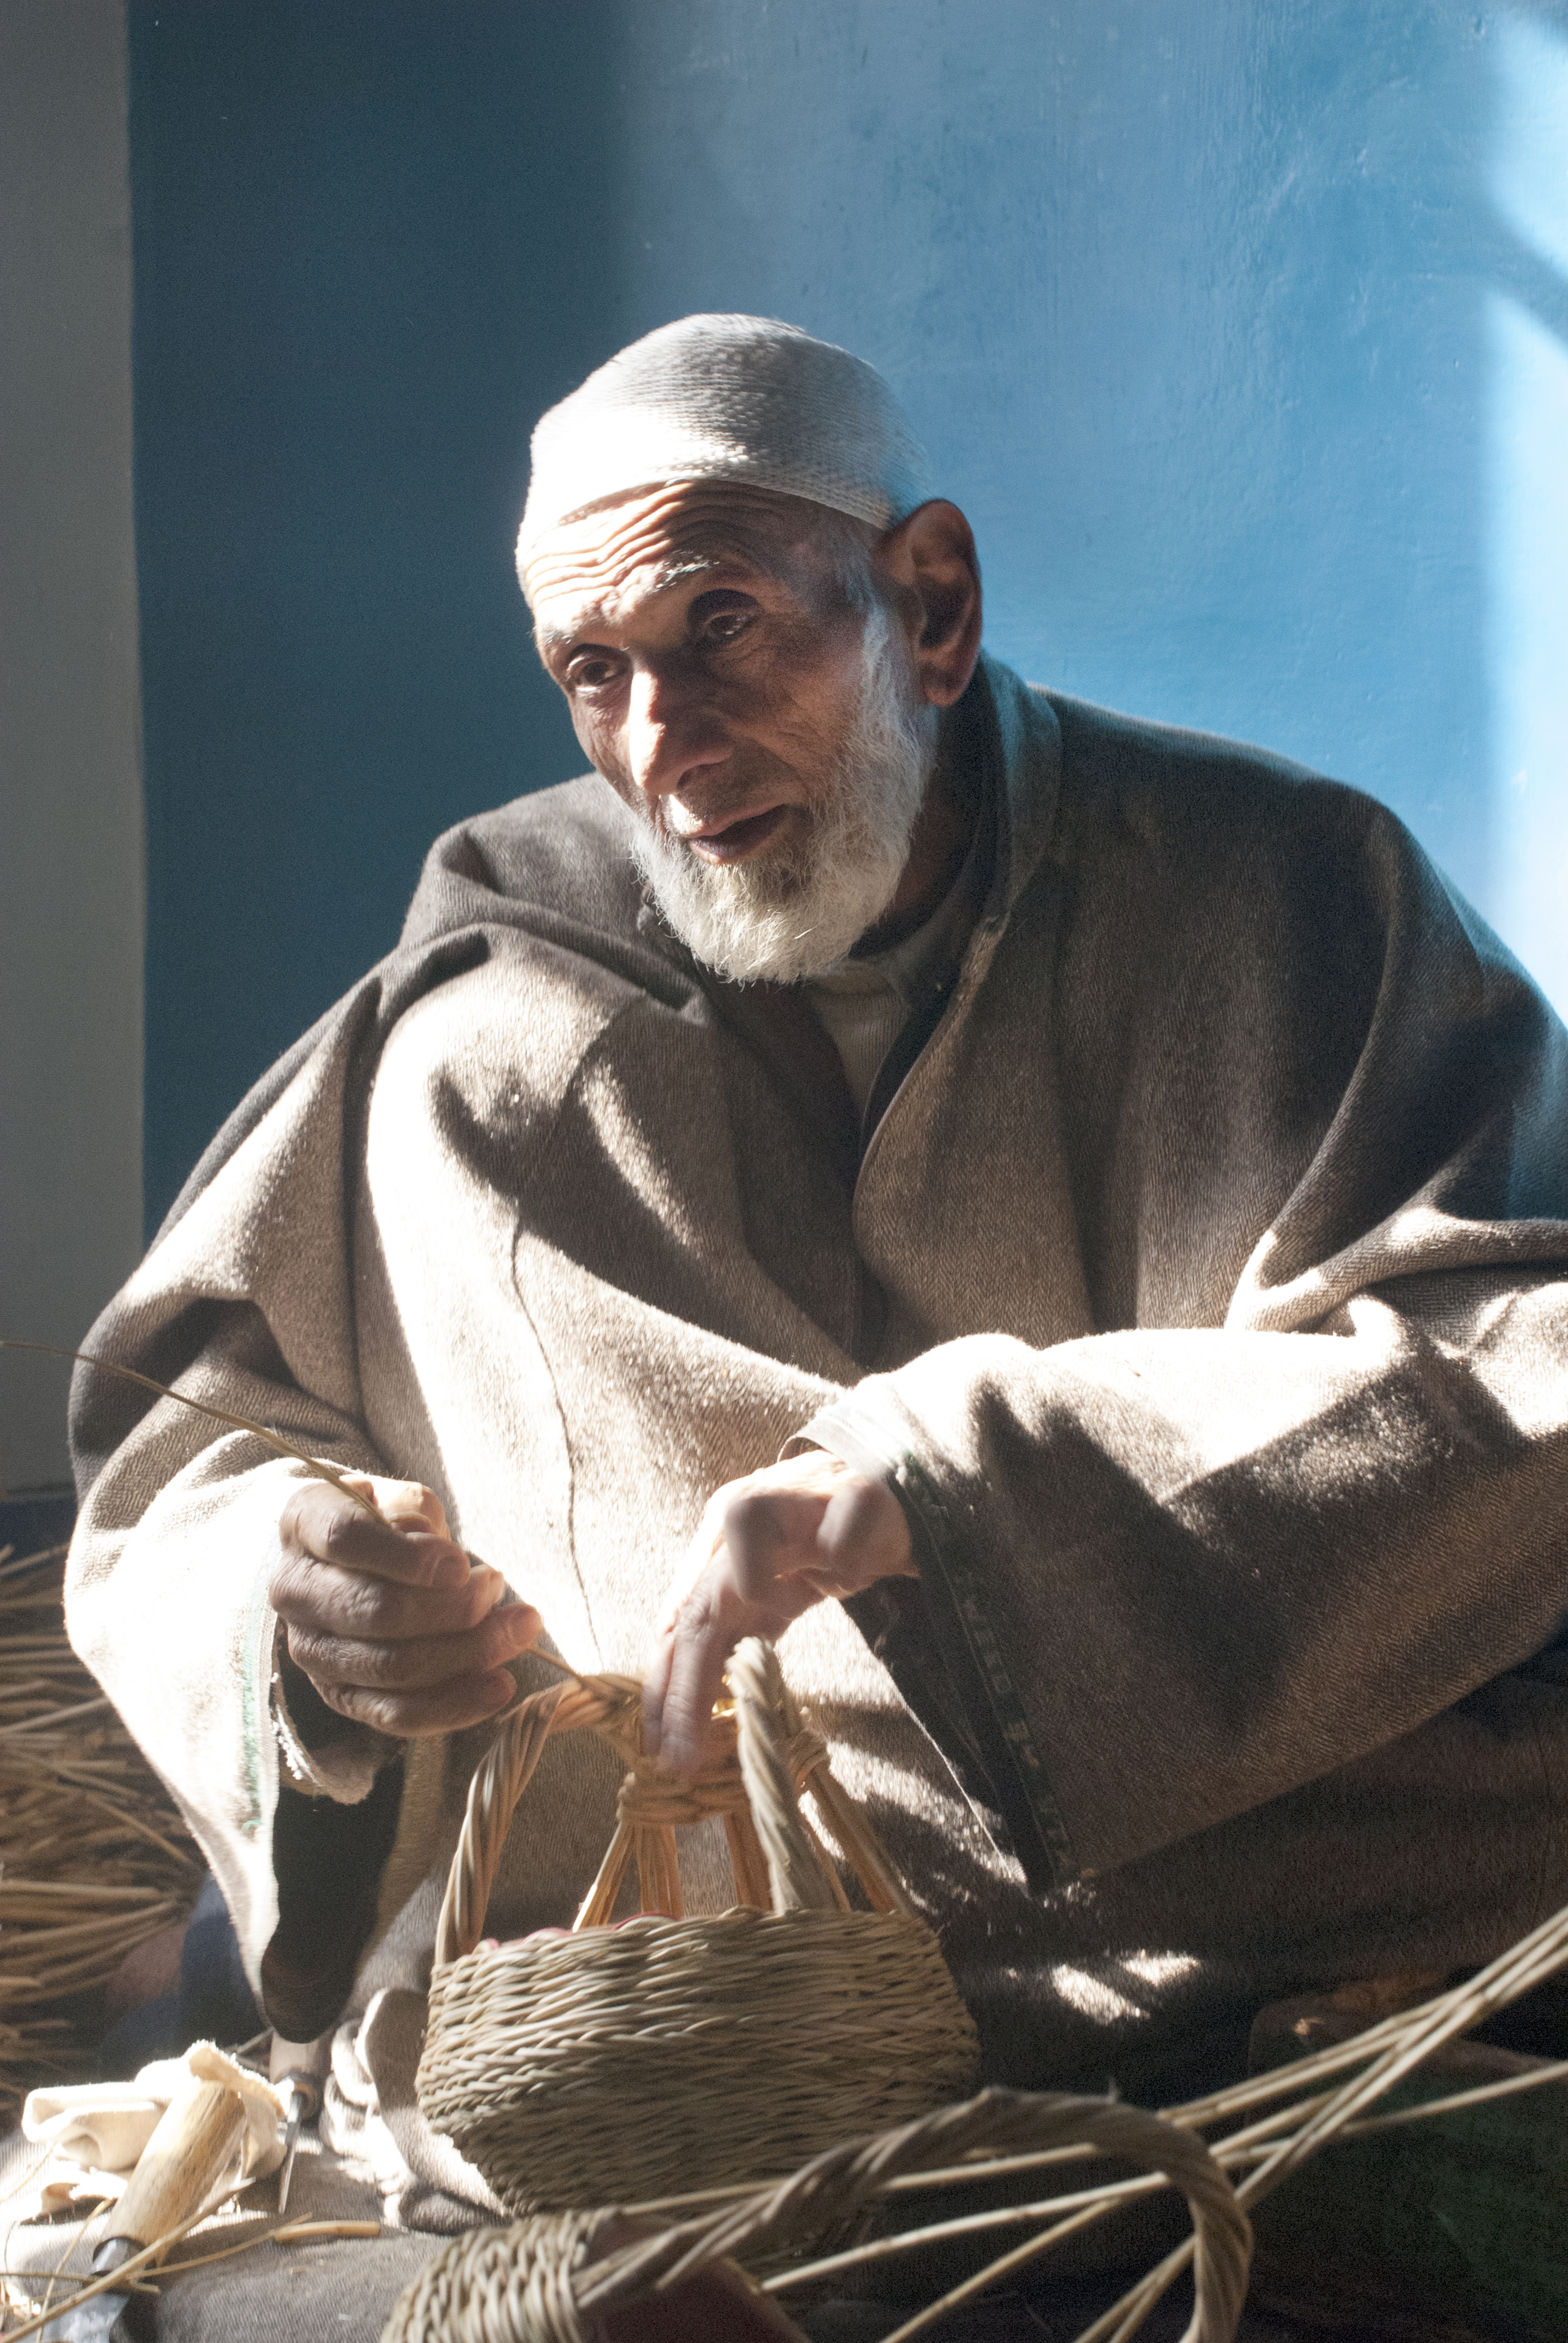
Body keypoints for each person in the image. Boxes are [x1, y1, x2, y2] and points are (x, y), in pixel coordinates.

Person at [67, 315, 1568, 2101]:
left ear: (931, 605)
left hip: (1235, 1856)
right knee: (471, 1066)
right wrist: (290, 1617)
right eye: (593, 671)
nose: (666, 746)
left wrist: (952, 1489)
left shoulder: (1292, 895)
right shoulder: (498, 960)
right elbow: (189, 1460)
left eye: (724, 629)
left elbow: (1507, 1368)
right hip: (682, 1914)